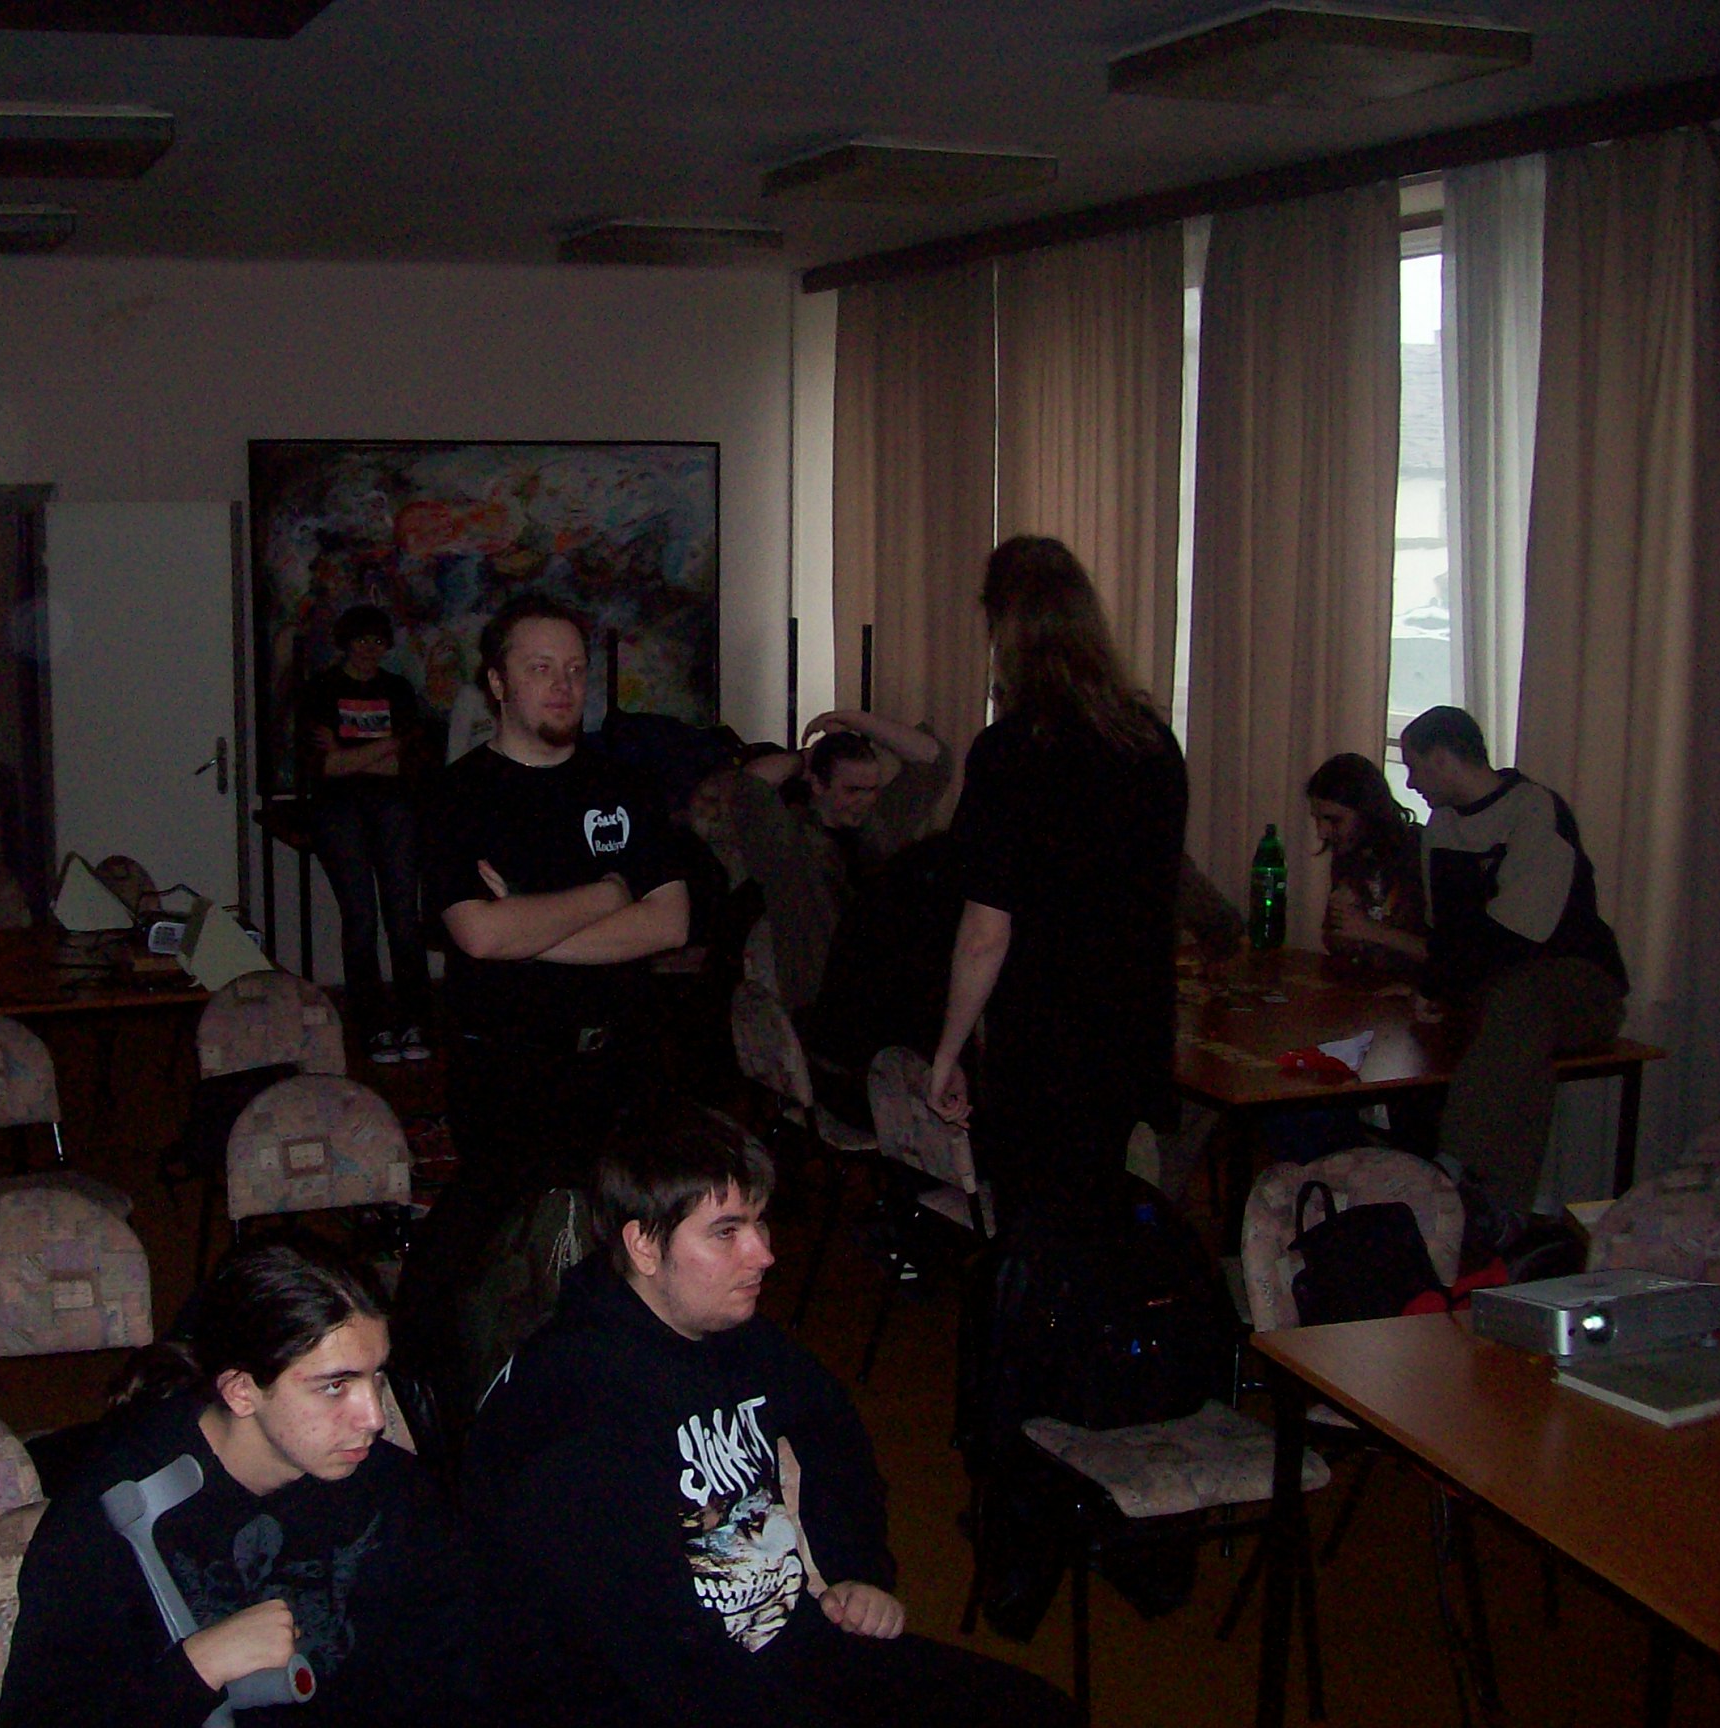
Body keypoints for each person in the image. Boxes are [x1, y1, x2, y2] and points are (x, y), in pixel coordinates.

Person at [461, 1105, 1078, 1728]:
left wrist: (855, 1571)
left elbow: (835, 1442)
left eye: (759, 1222)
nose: (764, 1254)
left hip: (789, 1646)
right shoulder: (572, 1406)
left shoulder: (731, 1333)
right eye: (726, 1232)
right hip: (664, 1696)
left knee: (1039, 1712)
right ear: (643, 1245)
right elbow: (648, 1652)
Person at [0, 1239, 479, 1727]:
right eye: (336, 1385)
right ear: (242, 1391)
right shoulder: (119, 1507)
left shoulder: (400, 1494)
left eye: (377, 1378)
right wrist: (198, 1667)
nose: (374, 1417)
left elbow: (452, 1683)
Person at [925, 536, 1188, 1224]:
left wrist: (948, 1051)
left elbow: (985, 933)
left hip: (1046, 1039)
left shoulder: (1010, 752)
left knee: (1039, 1228)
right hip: (1133, 1025)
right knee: (1109, 1217)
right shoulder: (1153, 743)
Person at [423, 590, 690, 1181]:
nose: (563, 686)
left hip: (623, 1067)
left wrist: (523, 923)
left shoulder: (626, 785)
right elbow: (479, 935)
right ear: (497, 683)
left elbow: (670, 922)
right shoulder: (455, 796)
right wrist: (609, 896)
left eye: (574, 669)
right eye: (540, 669)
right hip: (505, 1076)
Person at [1400, 705, 1628, 1217]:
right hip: (1496, 985)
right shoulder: (1441, 826)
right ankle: (1490, 1202)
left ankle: (1459, 1172)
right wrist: (1432, 986)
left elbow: (1516, 935)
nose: (1411, 783)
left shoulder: (1535, 810)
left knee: (1517, 1009)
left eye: (1414, 767)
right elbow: (1444, 932)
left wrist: (1440, 982)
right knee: (1494, 1030)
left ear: (1442, 759)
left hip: (1576, 979)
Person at [719, 710, 950, 1015]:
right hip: (822, 1002)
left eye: (872, 789)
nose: (864, 800)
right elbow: (750, 783)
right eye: (852, 790)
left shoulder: (880, 826)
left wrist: (851, 718)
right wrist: (804, 759)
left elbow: (934, 760)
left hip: (892, 993)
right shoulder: (790, 844)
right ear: (818, 785)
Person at [299, 604, 431, 1062]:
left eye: (377, 640)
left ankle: (415, 1022)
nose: (369, 649)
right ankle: (372, 1025)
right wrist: (387, 746)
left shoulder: (398, 690)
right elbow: (324, 768)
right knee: (361, 917)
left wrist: (351, 753)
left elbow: (407, 766)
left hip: (395, 807)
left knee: (403, 916)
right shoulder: (322, 690)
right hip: (338, 811)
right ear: (345, 642)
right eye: (361, 639)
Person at [1305, 750, 1428, 981]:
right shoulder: (1350, 854)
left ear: (1367, 811)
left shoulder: (1419, 853)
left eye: (1334, 820)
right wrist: (1341, 931)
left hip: (1416, 989)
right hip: (1363, 984)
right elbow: (1337, 942)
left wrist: (1370, 930)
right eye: (1317, 819)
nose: (1322, 832)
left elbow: (1447, 954)